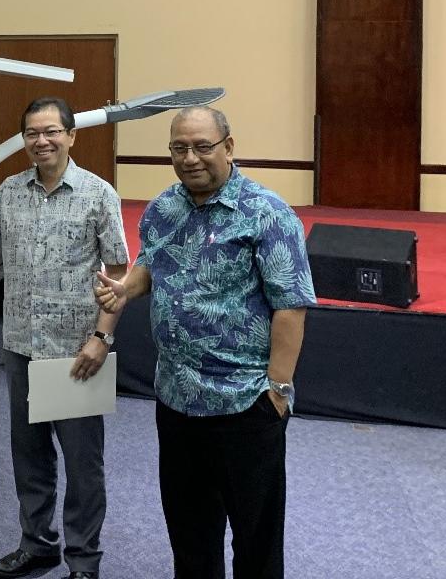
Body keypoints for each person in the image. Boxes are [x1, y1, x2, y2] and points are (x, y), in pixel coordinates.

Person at [94, 105, 315, 579]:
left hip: (245, 403)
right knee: (190, 536)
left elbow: (291, 306)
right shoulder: (162, 209)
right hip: (176, 401)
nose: (191, 157)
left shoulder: (268, 214)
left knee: (256, 541)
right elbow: (152, 267)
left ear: (229, 147)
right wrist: (124, 289)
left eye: (202, 146)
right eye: (179, 148)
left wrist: (277, 389)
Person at [0, 96, 128, 579]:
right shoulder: (9, 190)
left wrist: (102, 337)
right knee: (30, 457)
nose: (42, 141)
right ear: (24, 141)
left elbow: (119, 272)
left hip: (75, 350)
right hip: (20, 344)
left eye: (51, 132)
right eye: (32, 134)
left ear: (71, 136)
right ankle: (38, 545)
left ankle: (83, 560)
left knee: (83, 465)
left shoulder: (98, 194)